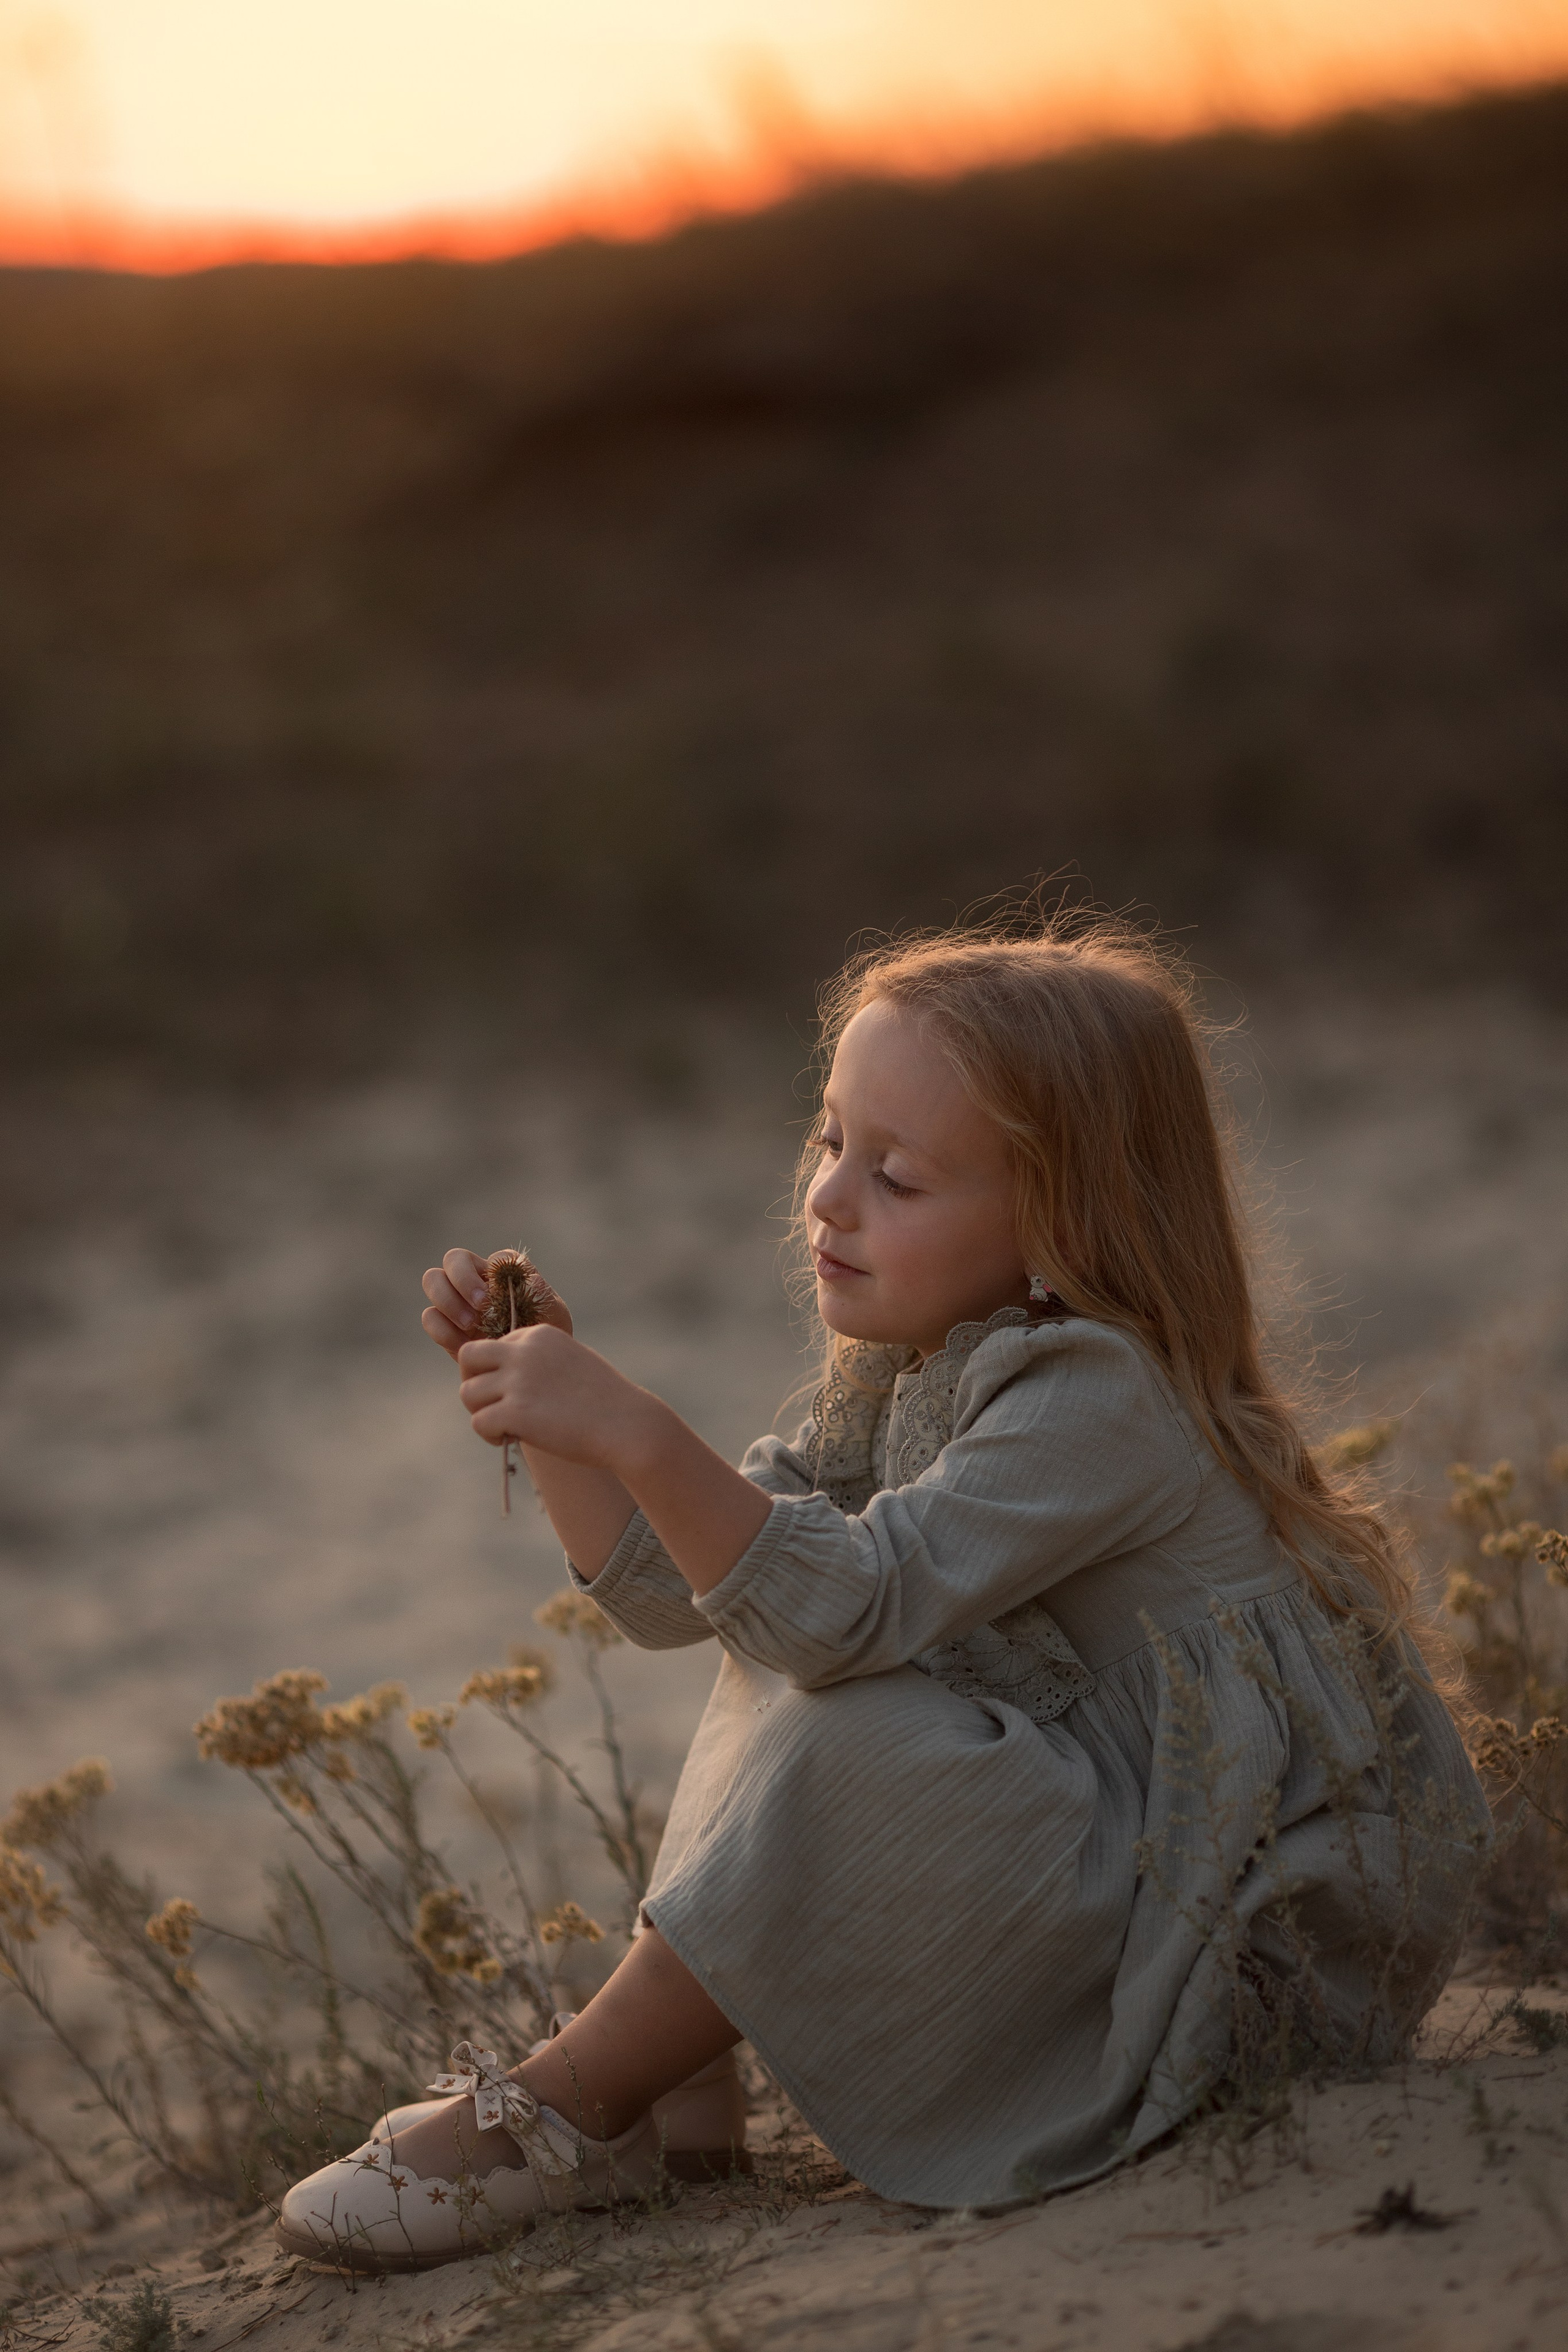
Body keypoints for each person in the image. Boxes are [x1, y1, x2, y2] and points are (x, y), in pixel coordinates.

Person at [277, 921, 1489, 2272]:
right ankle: (671, 2092)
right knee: (782, 1633)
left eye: (896, 1178)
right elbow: (699, 1594)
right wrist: (561, 1412)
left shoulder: (1099, 1397)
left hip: (1236, 1949)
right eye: (827, 1139)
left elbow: (836, 1612)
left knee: (845, 1697)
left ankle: (573, 2107)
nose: (830, 1198)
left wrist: (636, 1429)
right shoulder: (913, 1372)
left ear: (1063, 1222)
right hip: (1129, 1852)